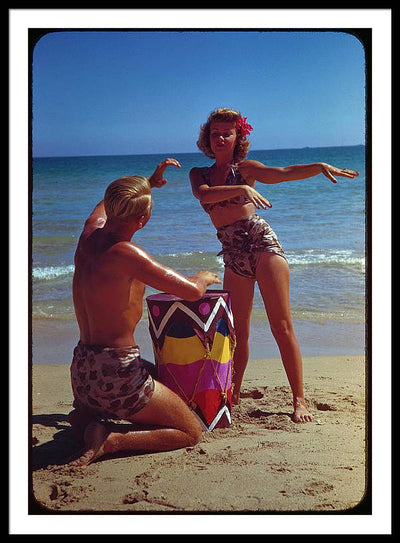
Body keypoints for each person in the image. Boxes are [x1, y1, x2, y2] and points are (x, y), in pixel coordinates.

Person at [190, 108, 359, 423]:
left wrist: (318, 166)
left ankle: (299, 400)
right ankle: (235, 392)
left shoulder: (247, 169)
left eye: (227, 133)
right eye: (215, 133)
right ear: (207, 138)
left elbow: (283, 172)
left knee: (281, 326)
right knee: (236, 332)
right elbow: (205, 195)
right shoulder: (198, 174)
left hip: (261, 244)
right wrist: (242, 190)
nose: (220, 138)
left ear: (238, 138)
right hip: (232, 253)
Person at [67, 158, 221, 467]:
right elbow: (191, 292)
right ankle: (112, 440)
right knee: (190, 431)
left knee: (161, 375)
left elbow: (104, 206)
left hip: (83, 371)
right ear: (143, 220)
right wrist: (203, 278)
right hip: (117, 374)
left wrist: (149, 182)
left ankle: (86, 415)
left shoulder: (88, 236)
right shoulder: (129, 255)